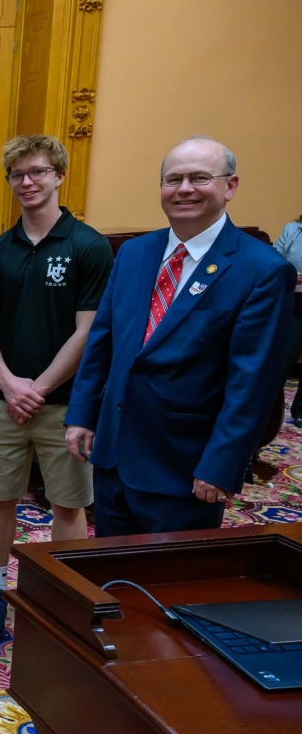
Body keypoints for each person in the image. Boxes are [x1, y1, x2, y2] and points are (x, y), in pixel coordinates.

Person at [66, 136, 294, 536]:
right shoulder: (134, 253)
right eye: (173, 180)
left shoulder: (263, 270)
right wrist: (82, 414)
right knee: (110, 577)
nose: (184, 189)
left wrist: (221, 465)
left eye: (199, 178)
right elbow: (103, 341)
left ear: (231, 186)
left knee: (169, 587)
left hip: (185, 467)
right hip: (114, 454)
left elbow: (253, 384)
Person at [0, 135, 112, 641]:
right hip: (2, 401)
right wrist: (8, 384)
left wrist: (40, 387)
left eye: (37, 172)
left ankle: (62, 593)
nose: (27, 183)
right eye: (17, 175)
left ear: (59, 175)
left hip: (64, 405)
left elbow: (88, 330)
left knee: (68, 503)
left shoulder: (88, 246)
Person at [272, 214, 302, 423]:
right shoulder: (292, 229)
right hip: (294, 301)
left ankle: (300, 411)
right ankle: (268, 407)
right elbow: (275, 262)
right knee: (285, 354)